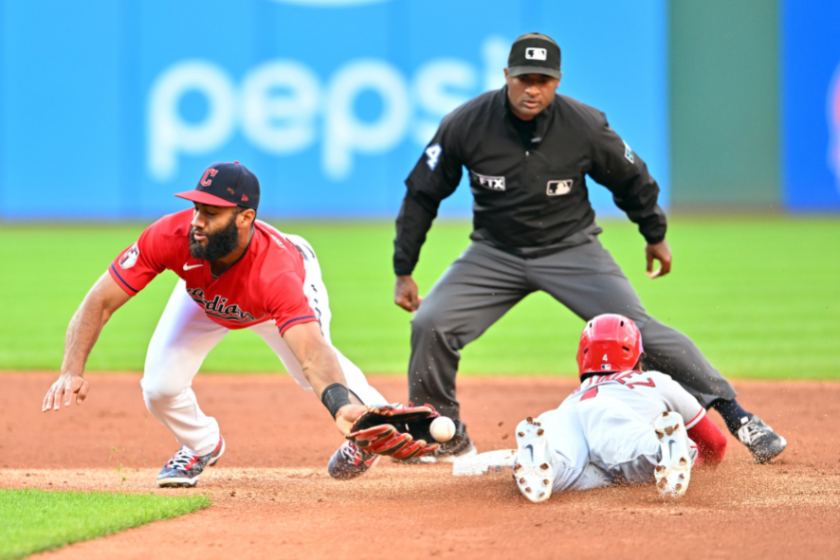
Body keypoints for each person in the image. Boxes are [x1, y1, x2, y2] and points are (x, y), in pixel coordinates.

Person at [392, 32, 786, 464]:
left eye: (543, 80)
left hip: (571, 249)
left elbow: (632, 178)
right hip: (494, 253)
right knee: (430, 323)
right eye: (524, 78)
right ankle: (442, 434)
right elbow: (421, 194)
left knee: (642, 333)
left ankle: (739, 416)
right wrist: (404, 268)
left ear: (557, 81)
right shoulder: (465, 124)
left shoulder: (583, 125)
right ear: (506, 76)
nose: (532, 89)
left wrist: (653, 233)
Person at [42, 161, 385, 486]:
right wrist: (71, 370)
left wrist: (340, 408)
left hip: (266, 297)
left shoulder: (278, 273)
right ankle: (201, 444)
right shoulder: (173, 235)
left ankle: (377, 421)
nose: (197, 221)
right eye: (196, 209)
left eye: (211, 212)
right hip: (205, 292)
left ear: (245, 217)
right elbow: (98, 301)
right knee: (159, 388)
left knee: (305, 369)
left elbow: (313, 354)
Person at [512, 314, 728, 503]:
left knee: (566, 471)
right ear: (637, 356)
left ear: (583, 357)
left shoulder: (575, 394)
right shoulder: (653, 380)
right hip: (609, 415)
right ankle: (665, 449)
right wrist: (698, 470)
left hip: (559, 417)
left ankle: (548, 458)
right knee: (634, 452)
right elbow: (715, 443)